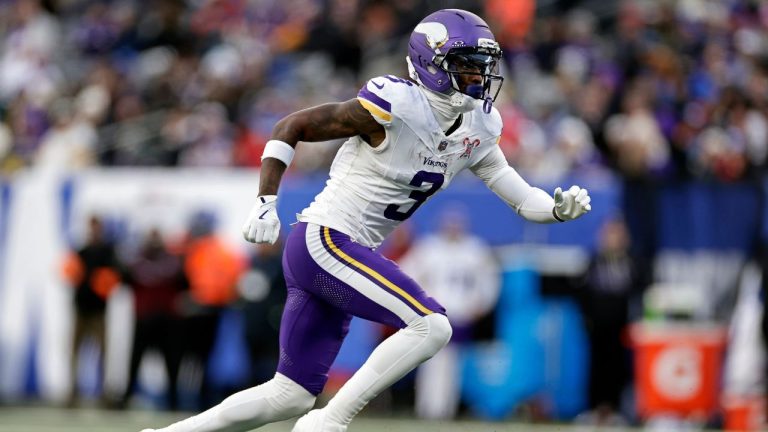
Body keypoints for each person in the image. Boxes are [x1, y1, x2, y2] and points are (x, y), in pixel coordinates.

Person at [143, 9, 591, 432]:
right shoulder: (396, 104)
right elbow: (291, 127)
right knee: (431, 325)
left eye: (482, 67)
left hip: (336, 249)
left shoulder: (479, 126)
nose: (478, 77)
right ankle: (329, 422)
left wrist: (555, 209)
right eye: (467, 65)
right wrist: (265, 200)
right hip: (326, 239)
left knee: (289, 396)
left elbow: (519, 195)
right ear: (432, 64)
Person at [399, 205, 500, 419]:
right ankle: (427, 408)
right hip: (433, 313)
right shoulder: (429, 248)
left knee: (452, 363)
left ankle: (444, 410)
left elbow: (489, 281)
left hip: (460, 314)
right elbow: (406, 273)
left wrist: (481, 304)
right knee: (430, 361)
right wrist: (419, 301)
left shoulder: (475, 250)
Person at [61, 215, 121, 408]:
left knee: (102, 351)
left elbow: (117, 275)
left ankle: (103, 392)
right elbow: (69, 274)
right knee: (74, 351)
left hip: (98, 310)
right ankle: (73, 392)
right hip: (81, 308)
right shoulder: (81, 251)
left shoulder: (108, 253)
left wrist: (105, 283)